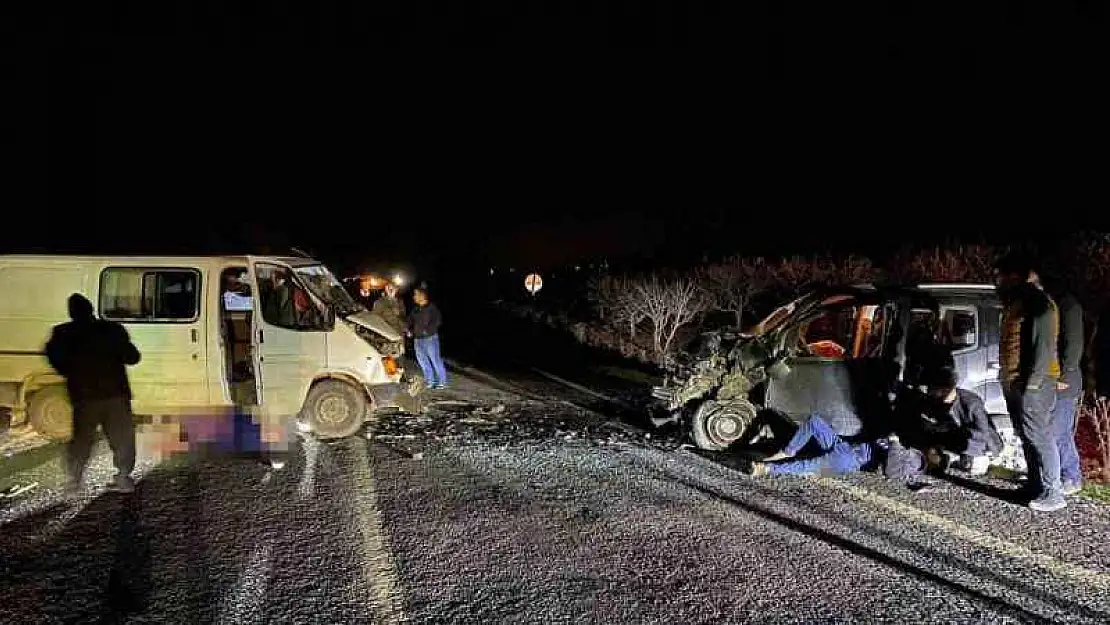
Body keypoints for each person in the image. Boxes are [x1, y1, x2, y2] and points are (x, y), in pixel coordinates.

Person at [45, 293, 142, 494]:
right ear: (92, 309)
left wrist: (72, 370)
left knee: (82, 440)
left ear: (71, 313)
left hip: (85, 397)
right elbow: (133, 357)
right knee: (121, 437)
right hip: (115, 394)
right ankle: (123, 477)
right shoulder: (112, 329)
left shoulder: (62, 333)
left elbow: (57, 361)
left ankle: (74, 481)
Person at [994, 251, 1066, 512]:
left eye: (1001, 276)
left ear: (1016, 276)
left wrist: (1033, 382)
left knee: (1039, 434)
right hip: (1016, 380)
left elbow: (1044, 343)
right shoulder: (1019, 301)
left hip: (1035, 383)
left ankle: (1053, 491)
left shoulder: (1038, 301)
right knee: (1025, 434)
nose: (998, 281)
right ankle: (1036, 484)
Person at [739, 412, 944, 482]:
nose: (933, 448)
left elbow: (891, 470)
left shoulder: (916, 461)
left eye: (936, 452)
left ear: (933, 459)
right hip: (846, 448)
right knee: (814, 421)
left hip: (850, 459)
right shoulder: (915, 461)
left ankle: (766, 469)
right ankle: (788, 451)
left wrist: (895, 443)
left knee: (806, 466)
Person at [912, 366, 1003, 475]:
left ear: (944, 390)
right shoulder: (935, 401)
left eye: (932, 389)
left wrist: (990, 454)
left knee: (972, 465)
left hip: (978, 444)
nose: (929, 392)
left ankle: (962, 457)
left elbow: (984, 433)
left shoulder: (972, 403)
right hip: (955, 439)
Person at [1041, 279, 1085, 495]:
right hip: (1053, 379)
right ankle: (1058, 474)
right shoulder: (1055, 305)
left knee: (1059, 431)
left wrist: (1065, 373)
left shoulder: (1068, 306)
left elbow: (1073, 342)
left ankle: (1071, 476)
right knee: (1053, 430)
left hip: (1064, 382)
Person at [407, 287, 448, 390]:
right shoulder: (415, 309)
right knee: (423, 361)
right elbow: (410, 322)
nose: (414, 297)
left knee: (435, 360)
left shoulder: (432, 308)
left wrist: (428, 331)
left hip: (430, 339)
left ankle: (442, 381)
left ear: (422, 296)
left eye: (416, 294)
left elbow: (437, 321)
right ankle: (430, 381)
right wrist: (410, 331)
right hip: (418, 340)